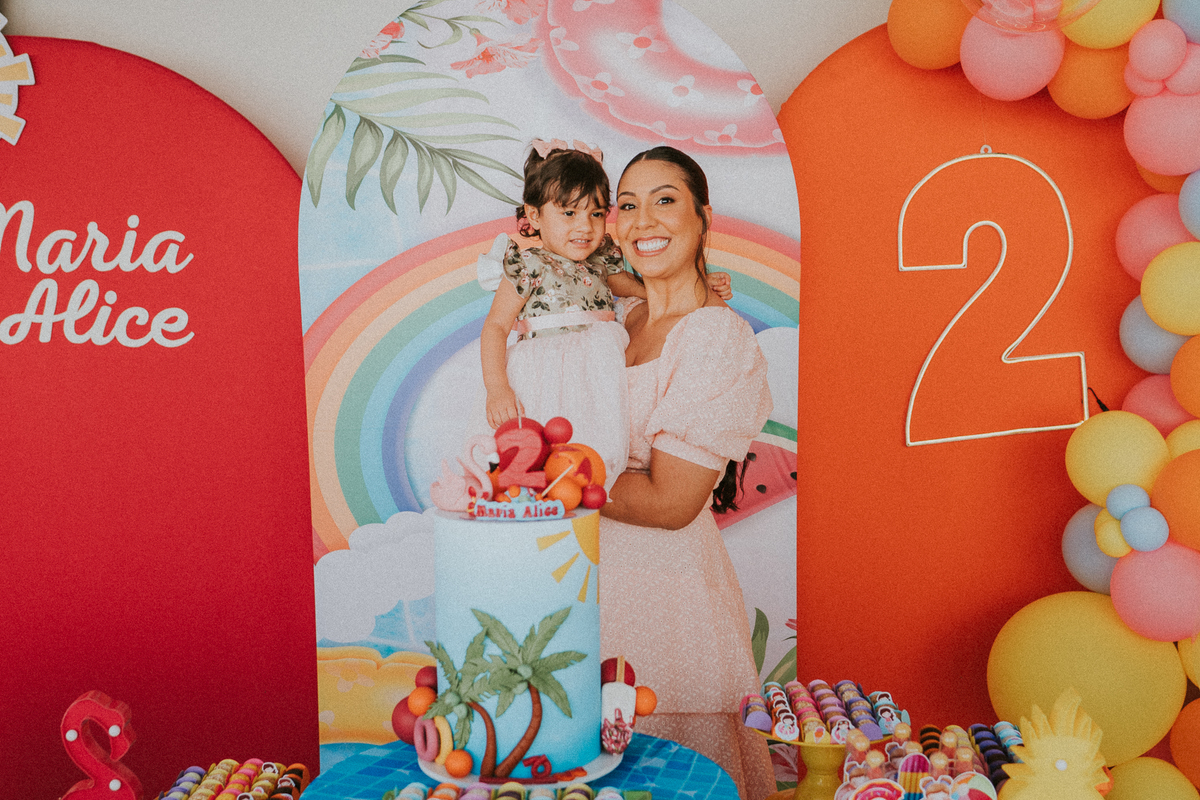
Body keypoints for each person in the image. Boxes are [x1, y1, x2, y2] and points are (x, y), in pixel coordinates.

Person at [598, 145, 776, 800]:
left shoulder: (712, 336)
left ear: (704, 217)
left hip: (668, 606)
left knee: (671, 777)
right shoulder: (621, 320)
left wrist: (561, 476)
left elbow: (673, 501)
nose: (644, 217)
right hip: (593, 596)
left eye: (665, 199)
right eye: (628, 203)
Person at [476, 139, 729, 485]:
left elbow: (626, 283)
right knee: (540, 434)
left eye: (596, 214)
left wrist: (691, 286)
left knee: (598, 433)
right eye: (569, 213)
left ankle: (593, 479)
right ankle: (533, 481)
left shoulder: (600, 258)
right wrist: (497, 387)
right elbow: (495, 327)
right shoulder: (528, 264)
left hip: (597, 364)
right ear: (534, 215)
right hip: (544, 369)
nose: (585, 227)